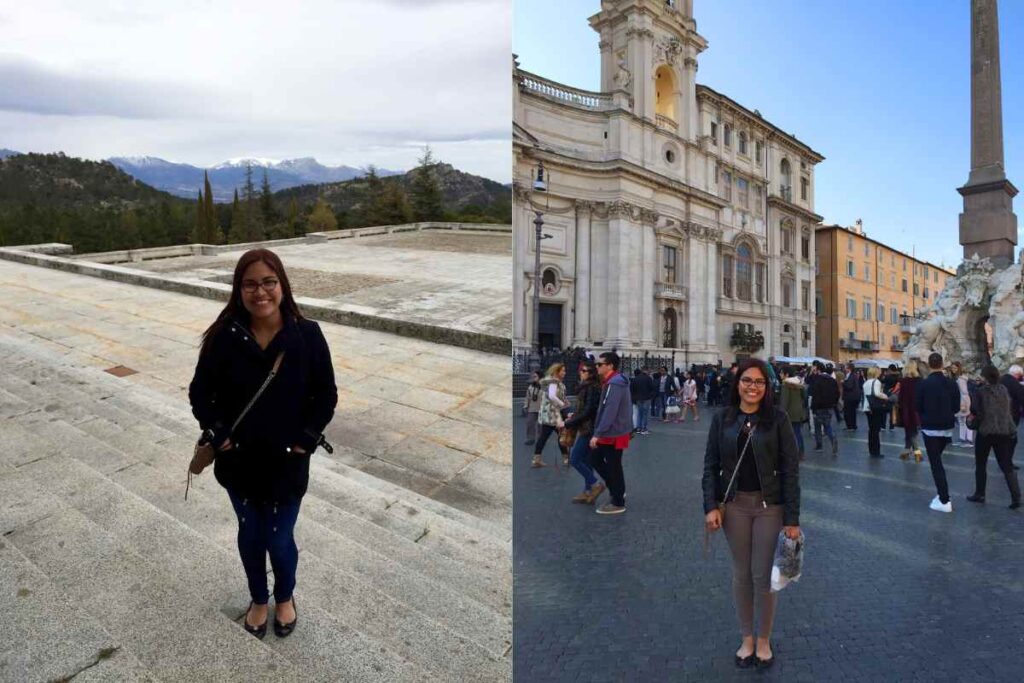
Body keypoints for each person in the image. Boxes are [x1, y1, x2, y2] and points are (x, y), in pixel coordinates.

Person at [189, 248, 338, 639]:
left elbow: (325, 395)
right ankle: (258, 598)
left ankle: (284, 596)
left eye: (268, 282)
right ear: (238, 290)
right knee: (251, 534)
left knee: (279, 536)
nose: (260, 292)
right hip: (238, 461)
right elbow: (201, 393)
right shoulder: (224, 337)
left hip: (287, 462)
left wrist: (306, 440)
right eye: (250, 283)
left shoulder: (307, 336)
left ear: (282, 286)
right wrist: (218, 436)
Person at [702, 359, 801, 670]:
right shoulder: (723, 418)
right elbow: (709, 466)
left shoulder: (778, 419)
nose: (753, 386)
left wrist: (792, 519)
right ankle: (746, 637)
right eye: (747, 380)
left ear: (766, 386)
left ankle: (764, 638)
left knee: (762, 575)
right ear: (738, 383)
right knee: (741, 574)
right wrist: (710, 506)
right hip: (733, 506)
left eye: (759, 382)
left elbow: (790, 470)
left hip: (768, 507)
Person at [966, 364, 1022, 508]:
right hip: (1003, 431)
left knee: (980, 464)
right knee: (1006, 465)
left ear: (985, 377)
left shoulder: (981, 391)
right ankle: (1016, 497)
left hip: (985, 432)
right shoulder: (1004, 390)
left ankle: (980, 493)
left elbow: (975, 410)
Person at [915, 352, 961, 513]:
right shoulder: (951, 383)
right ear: (942, 364)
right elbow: (956, 406)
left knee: (936, 464)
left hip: (930, 428)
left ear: (929, 365)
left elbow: (918, 406)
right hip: (947, 428)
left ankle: (944, 499)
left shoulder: (924, 384)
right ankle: (942, 496)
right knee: (937, 461)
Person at [589, 352, 632, 515]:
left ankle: (618, 500)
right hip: (613, 430)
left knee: (612, 465)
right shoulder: (613, 382)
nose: (597, 367)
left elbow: (610, 410)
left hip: (612, 432)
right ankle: (616, 490)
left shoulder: (614, 384)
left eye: (600, 364)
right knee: (599, 460)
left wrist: (597, 433)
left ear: (610, 366)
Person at [564, 360, 605, 504]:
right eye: (581, 370)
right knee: (586, 461)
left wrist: (568, 422)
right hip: (586, 426)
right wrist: (573, 415)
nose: (580, 372)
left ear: (591, 374)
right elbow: (583, 409)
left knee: (575, 459)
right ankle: (588, 492)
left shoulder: (592, 388)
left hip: (589, 429)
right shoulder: (586, 387)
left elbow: (588, 411)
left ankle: (595, 484)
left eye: (584, 371)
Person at [532, 363, 570, 468]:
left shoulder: (555, 382)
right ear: (557, 372)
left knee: (545, 436)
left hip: (550, 413)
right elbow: (552, 396)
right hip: (553, 414)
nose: (564, 372)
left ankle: (537, 459)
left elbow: (555, 395)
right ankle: (566, 458)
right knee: (561, 435)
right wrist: (562, 404)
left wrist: (564, 401)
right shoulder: (553, 382)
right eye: (563, 370)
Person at [807, 362, 839, 456]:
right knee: (827, 425)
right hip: (829, 406)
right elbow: (837, 393)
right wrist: (833, 403)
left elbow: (815, 395)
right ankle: (832, 438)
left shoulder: (818, 380)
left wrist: (813, 408)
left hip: (819, 407)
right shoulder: (832, 380)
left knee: (817, 427)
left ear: (819, 370)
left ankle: (819, 446)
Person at [779, 367, 808, 459]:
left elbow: (784, 401)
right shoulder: (799, 383)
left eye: (781, 373)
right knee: (798, 432)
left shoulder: (785, 385)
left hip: (789, 413)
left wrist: (781, 414)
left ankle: (788, 452)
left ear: (787, 374)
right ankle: (801, 452)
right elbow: (804, 397)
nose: (780, 375)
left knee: (787, 434)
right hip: (798, 412)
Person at [999, 364, 1024, 470]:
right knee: (1011, 440)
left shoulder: (1000, 380)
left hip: (999, 414)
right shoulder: (1016, 384)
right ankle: (1007, 462)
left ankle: (1004, 460)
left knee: (1003, 439)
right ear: (1017, 374)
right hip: (1012, 415)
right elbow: (1022, 399)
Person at [897, 363, 923, 462]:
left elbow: (900, 397)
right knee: (911, 431)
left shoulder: (903, 381)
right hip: (916, 409)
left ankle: (916, 452)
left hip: (906, 409)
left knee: (910, 431)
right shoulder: (919, 381)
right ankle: (908, 452)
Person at [862, 367, 888, 458]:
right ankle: (876, 451)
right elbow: (877, 393)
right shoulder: (876, 382)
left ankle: (871, 450)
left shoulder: (866, 382)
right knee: (876, 430)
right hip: (875, 408)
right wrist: (885, 396)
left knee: (871, 430)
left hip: (867, 407)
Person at [950, 363, 975, 446]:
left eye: (955, 368)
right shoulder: (957, 378)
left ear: (959, 368)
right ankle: (962, 438)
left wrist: (962, 403)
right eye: (952, 368)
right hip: (961, 401)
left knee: (966, 420)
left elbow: (964, 392)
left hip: (963, 401)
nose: (953, 369)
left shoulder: (960, 379)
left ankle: (969, 440)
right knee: (961, 421)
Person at [630, 368, 655, 435]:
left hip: (638, 398)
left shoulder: (635, 379)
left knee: (639, 413)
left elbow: (632, 389)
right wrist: (651, 396)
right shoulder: (648, 378)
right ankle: (644, 428)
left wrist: (634, 398)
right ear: (646, 371)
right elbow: (652, 388)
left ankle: (638, 428)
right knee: (645, 414)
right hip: (646, 398)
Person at [524, 371, 543, 445]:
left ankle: (540, 439)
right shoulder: (531, 387)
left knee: (540, 425)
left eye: (535, 376)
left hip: (541, 409)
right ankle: (530, 438)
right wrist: (525, 406)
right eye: (533, 376)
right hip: (532, 408)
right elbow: (527, 397)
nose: (533, 378)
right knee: (530, 423)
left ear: (540, 377)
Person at [842, 364, 863, 431]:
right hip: (850, 396)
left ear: (849, 369)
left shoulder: (852, 376)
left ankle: (851, 426)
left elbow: (849, 386)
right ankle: (850, 426)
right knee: (850, 412)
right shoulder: (850, 375)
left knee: (849, 412)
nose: (844, 369)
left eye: (846, 367)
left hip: (851, 397)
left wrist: (843, 383)